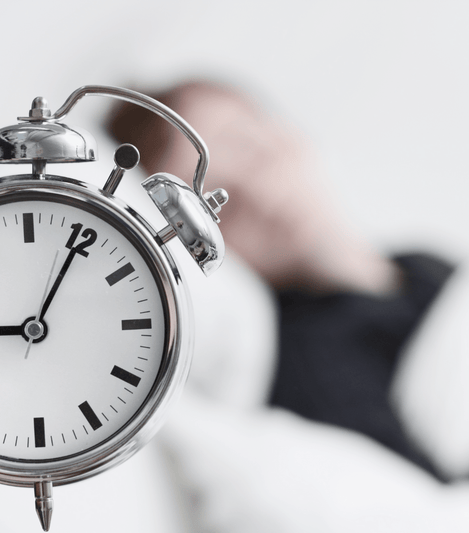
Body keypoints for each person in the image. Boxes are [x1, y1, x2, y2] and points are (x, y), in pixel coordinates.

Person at [106, 79, 454, 480]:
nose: (267, 197)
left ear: (290, 133)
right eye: (225, 206)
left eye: (256, 154)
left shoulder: (424, 266)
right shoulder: (312, 370)